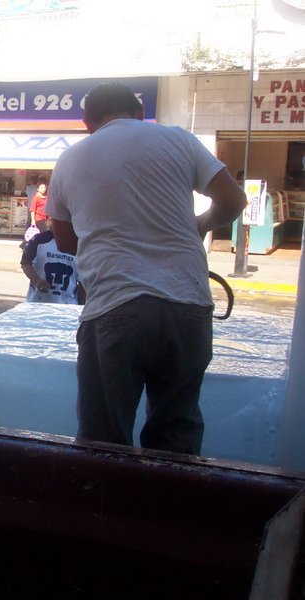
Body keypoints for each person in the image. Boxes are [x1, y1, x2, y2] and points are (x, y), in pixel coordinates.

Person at [46, 82, 247, 455]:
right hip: (188, 305)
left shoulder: (71, 158)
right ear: (140, 114)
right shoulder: (178, 139)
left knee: (103, 442)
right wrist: (199, 225)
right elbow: (233, 200)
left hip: (115, 306)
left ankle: (108, 494)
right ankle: (171, 491)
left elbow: (65, 241)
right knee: (176, 435)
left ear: (87, 122)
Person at [20, 217, 84, 304]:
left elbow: (83, 281)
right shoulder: (37, 240)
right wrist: (37, 280)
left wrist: (82, 306)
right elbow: (25, 263)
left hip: (68, 305)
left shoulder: (79, 245)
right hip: (37, 303)